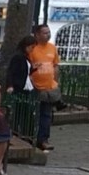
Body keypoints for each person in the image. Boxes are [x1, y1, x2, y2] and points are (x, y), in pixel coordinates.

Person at [28, 23, 65, 151]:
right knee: (34, 113)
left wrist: (55, 81)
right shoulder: (32, 48)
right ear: (37, 34)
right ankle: (30, 136)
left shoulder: (52, 48)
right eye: (44, 32)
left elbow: (55, 65)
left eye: (48, 32)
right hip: (35, 87)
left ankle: (43, 139)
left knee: (46, 114)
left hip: (50, 87)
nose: (47, 35)